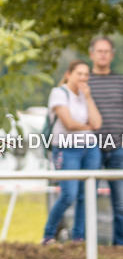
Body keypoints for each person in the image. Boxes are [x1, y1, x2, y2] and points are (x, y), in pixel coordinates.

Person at [42, 60, 102, 245]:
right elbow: (68, 124)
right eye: (79, 74)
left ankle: (79, 236)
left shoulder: (85, 96)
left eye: (86, 74)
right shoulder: (58, 94)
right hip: (67, 149)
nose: (83, 78)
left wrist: (89, 98)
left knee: (87, 195)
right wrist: (87, 126)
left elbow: (97, 123)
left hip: (90, 149)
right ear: (69, 74)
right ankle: (48, 234)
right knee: (69, 195)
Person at [88, 36, 123, 246]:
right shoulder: (84, 81)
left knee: (120, 202)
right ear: (92, 54)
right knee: (87, 198)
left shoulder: (120, 82)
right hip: (90, 149)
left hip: (118, 148)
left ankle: (119, 246)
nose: (103, 54)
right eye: (99, 51)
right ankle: (86, 244)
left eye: (106, 51)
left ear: (112, 55)